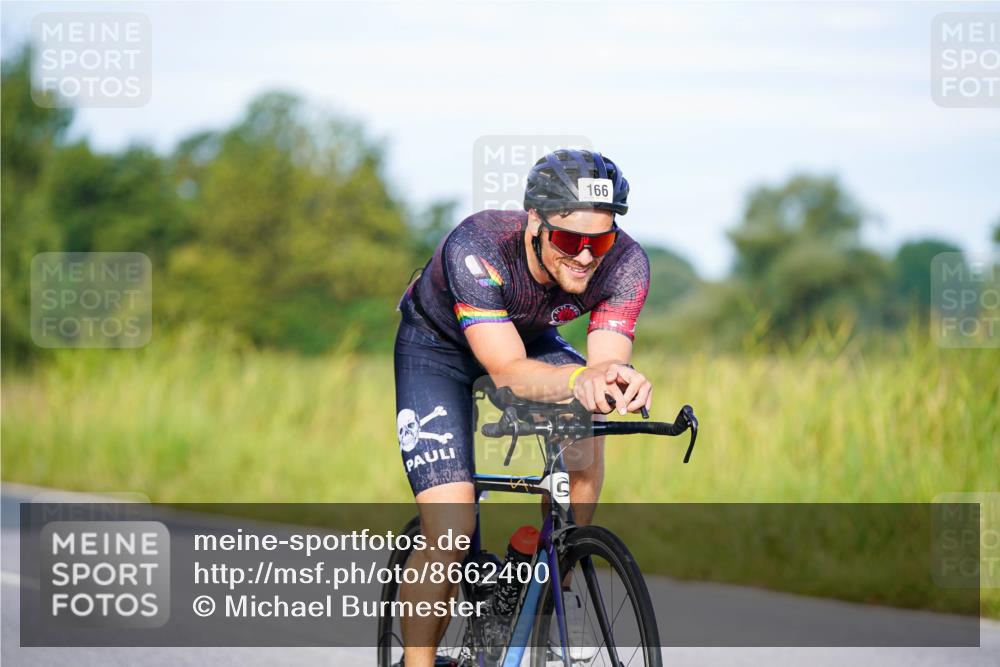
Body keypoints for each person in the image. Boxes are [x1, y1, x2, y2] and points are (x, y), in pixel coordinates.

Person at [394, 148, 653, 665]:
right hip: (438, 351)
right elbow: (508, 372)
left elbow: (602, 365)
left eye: (599, 239)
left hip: (530, 339)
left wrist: (613, 381)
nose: (585, 256)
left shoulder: (626, 264)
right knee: (450, 530)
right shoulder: (480, 245)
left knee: (588, 421)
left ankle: (563, 575)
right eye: (568, 239)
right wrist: (578, 377)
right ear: (534, 221)